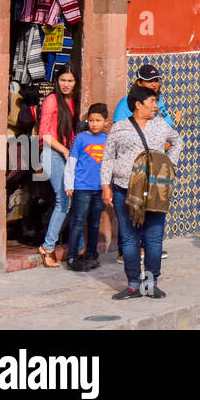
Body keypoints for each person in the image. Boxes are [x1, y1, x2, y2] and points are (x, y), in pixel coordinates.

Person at [101, 85, 183, 299]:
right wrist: (105, 185)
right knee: (129, 238)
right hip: (123, 189)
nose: (155, 106)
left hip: (155, 189)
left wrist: (169, 164)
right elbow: (108, 157)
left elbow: (177, 142)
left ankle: (151, 283)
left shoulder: (161, 125)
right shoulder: (119, 128)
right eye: (151, 102)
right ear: (138, 105)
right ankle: (133, 284)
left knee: (154, 238)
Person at [37, 65, 81, 268]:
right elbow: (45, 135)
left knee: (72, 198)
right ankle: (47, 248)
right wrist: (64, 150)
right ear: (57, 81)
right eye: (63, 80)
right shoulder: (51, 100)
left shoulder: (71, 101)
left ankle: (78, 246)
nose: (66, 84)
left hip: (66, 153)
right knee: (63, 201)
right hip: (52, 153)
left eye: (70, 80)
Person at [62, 102, 109, 271]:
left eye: (98, 120)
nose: (94, 123)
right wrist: (69, 183)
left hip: (99, 188)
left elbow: (109, 164)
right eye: (91, 120)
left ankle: (91, 255)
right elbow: (72, 162)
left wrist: (108, 186)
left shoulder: (108, 140)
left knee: (95, 222)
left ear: (106, 122)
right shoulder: (81, 138)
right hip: (82, 187)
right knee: (78, 222)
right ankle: (72, 257)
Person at [111, 64, 177, 128]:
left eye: (156, 81)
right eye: (150, 81)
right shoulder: (125, 103)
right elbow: (118, 130)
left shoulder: (158, 99)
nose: (154, 84)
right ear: (139, 83)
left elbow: (168, 123)